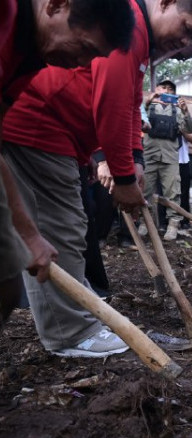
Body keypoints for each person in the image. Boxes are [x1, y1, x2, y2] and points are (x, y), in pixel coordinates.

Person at [1, 0, 192, 356]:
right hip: (42, 128)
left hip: (60, 135)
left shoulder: (138, 42)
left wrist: (135, 159)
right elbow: (111, 106)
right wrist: (125, 178)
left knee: (63, 229)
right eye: (187, 28)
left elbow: (130, 104)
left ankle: (76, 320)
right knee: (62, 228)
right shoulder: (125, 28)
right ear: (167, 3)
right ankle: (71, 333)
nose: (186, 41)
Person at [0, 0, 136, 332]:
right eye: (85, 48)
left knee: (7, 279)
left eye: (93, 58)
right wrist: (29, 233)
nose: (82, 63)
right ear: (58, 5)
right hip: (37, 136)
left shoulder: (29, 56)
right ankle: (69, 334)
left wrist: (25, 231)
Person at [141, 79, 192, 241]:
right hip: (149, 155)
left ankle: (173, 225)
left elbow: (190, 129)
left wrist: (186, 112)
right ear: (156, 89)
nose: (167, 90)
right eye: (163, 87)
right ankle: (146, 223)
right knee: (146, 191)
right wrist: (148, 101)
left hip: (170, 157)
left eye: (171, 89)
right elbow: (136, 119)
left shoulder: (177, 110)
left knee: (173, 192)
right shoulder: (148, 106)